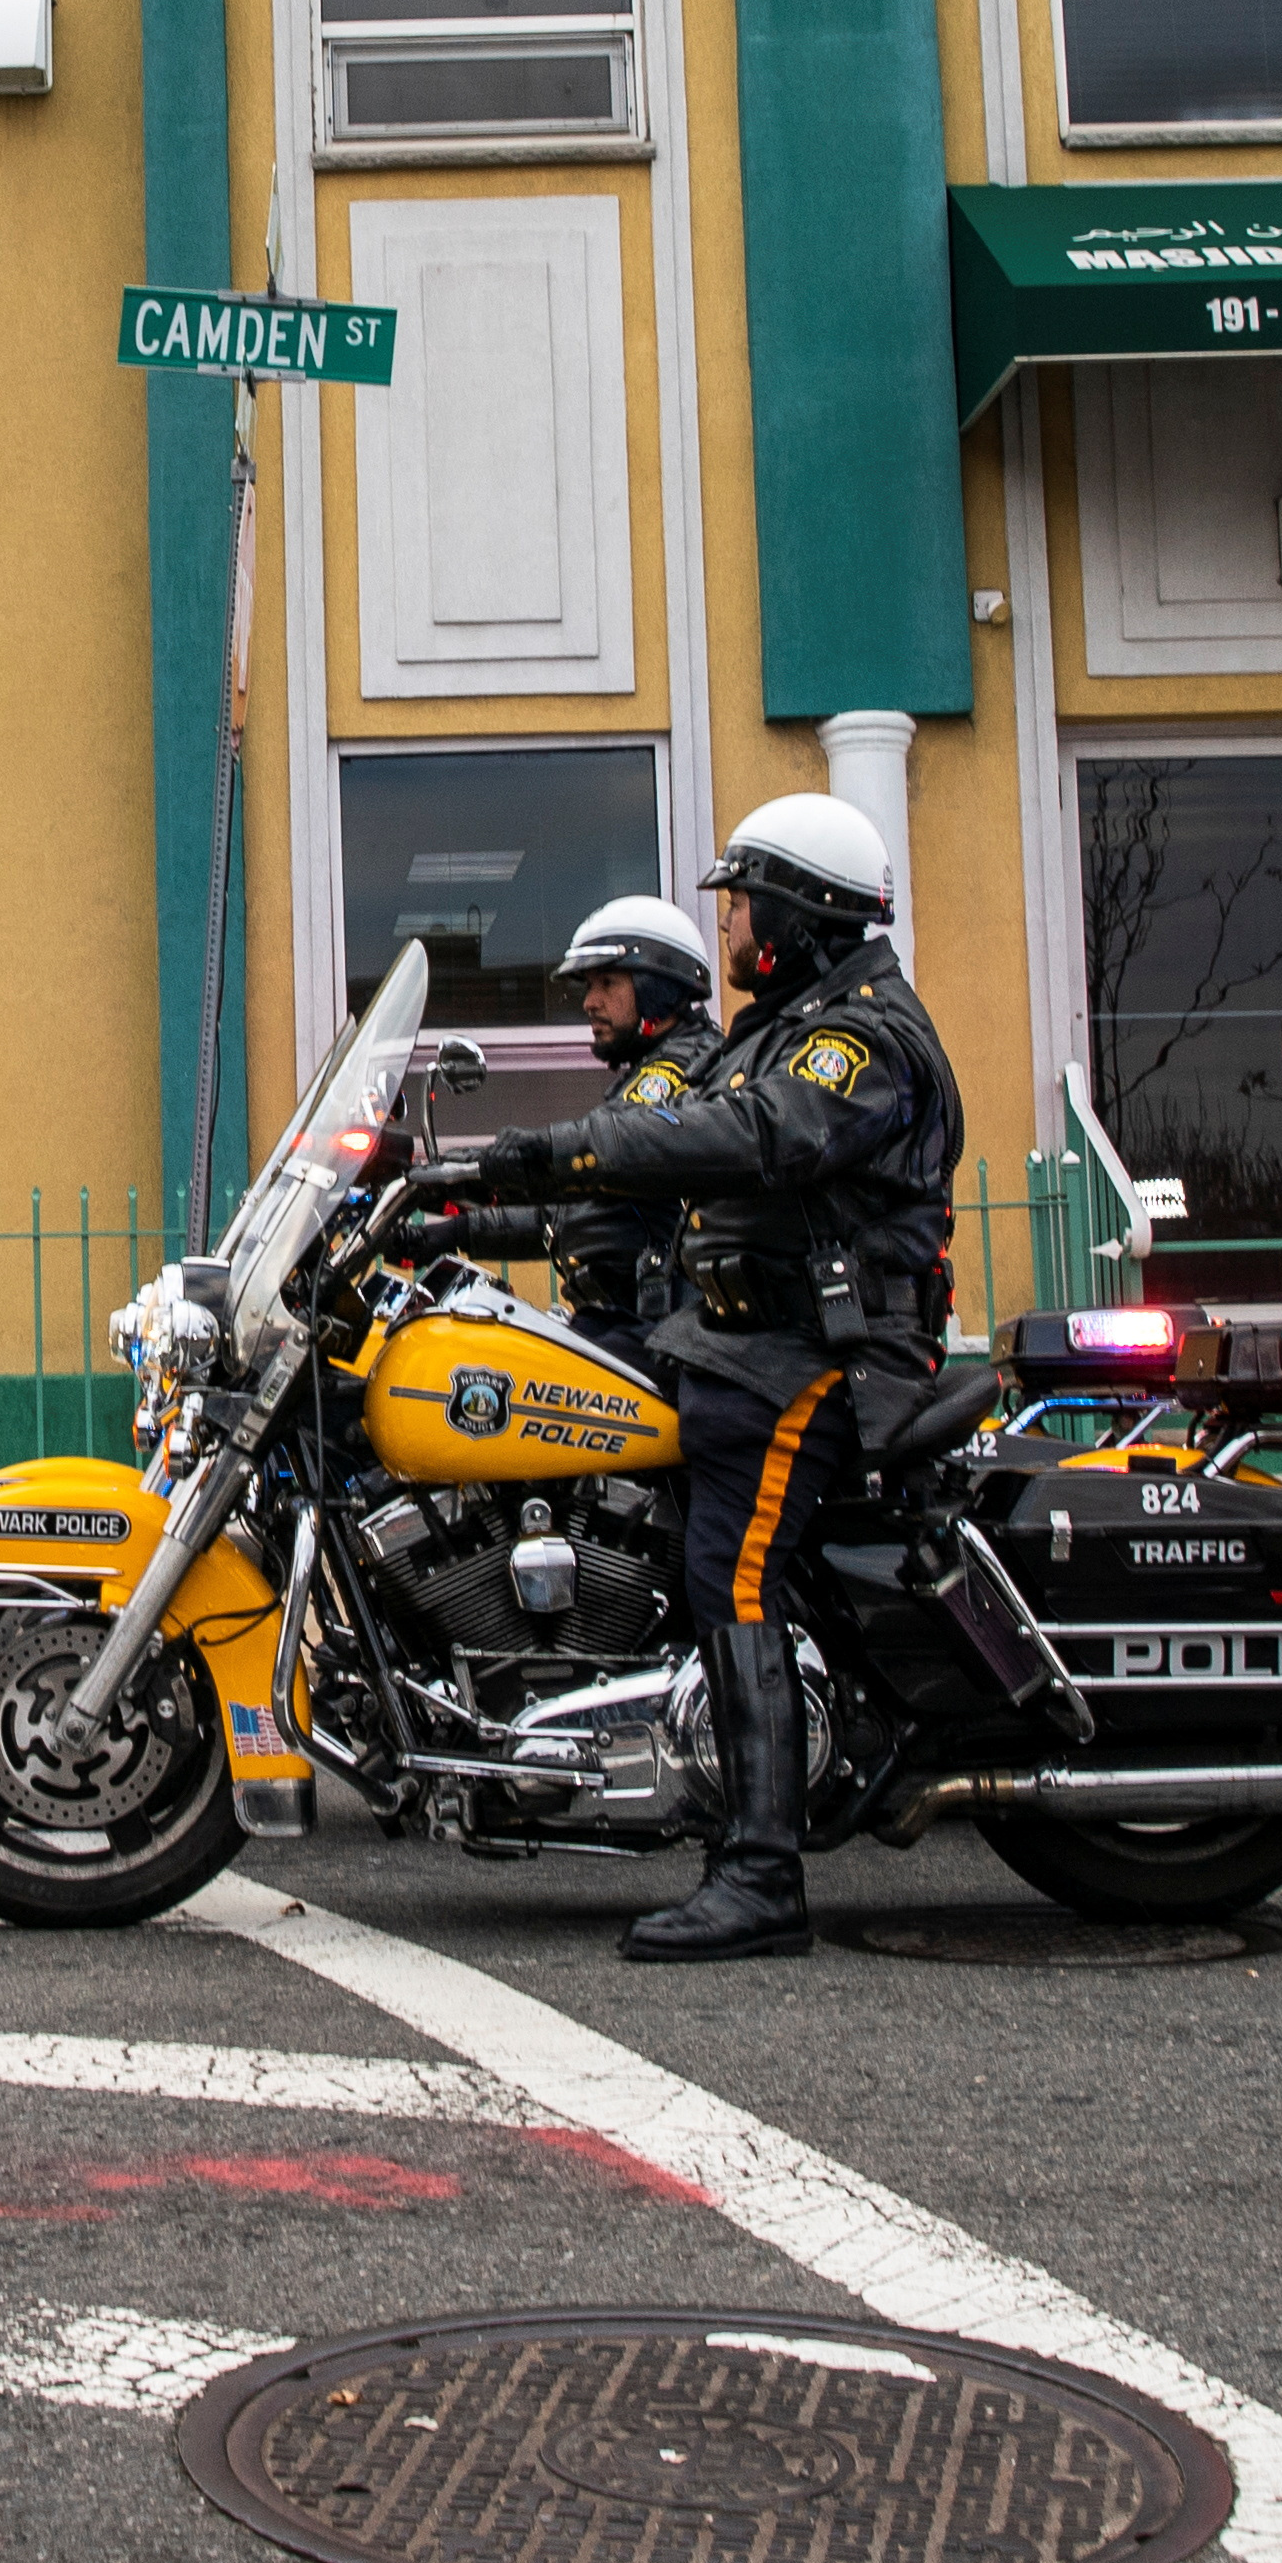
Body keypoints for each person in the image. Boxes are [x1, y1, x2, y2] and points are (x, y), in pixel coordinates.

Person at [461, 797, 957, 1964]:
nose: (727, 927)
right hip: (740, 1348)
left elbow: (754, 1136)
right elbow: (673, 1146)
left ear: (797, 911)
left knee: (728, 1577)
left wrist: (562, 1144)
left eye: (742, 903)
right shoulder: (780, 1024)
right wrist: (459, 1198)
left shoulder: (857, 1037)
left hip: (824, 1361)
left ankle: (760, 1870)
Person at [403, 896, 722, 1363]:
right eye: (590, 986)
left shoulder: (680, 1073)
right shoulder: (651, 1071)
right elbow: (567, 1215)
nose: (590, 1002)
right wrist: (450, 1226)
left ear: (658, 986)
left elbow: (582, 1161)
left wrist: (473, 1173)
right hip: (626, 1323)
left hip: (660, 1338)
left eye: (608, 983)